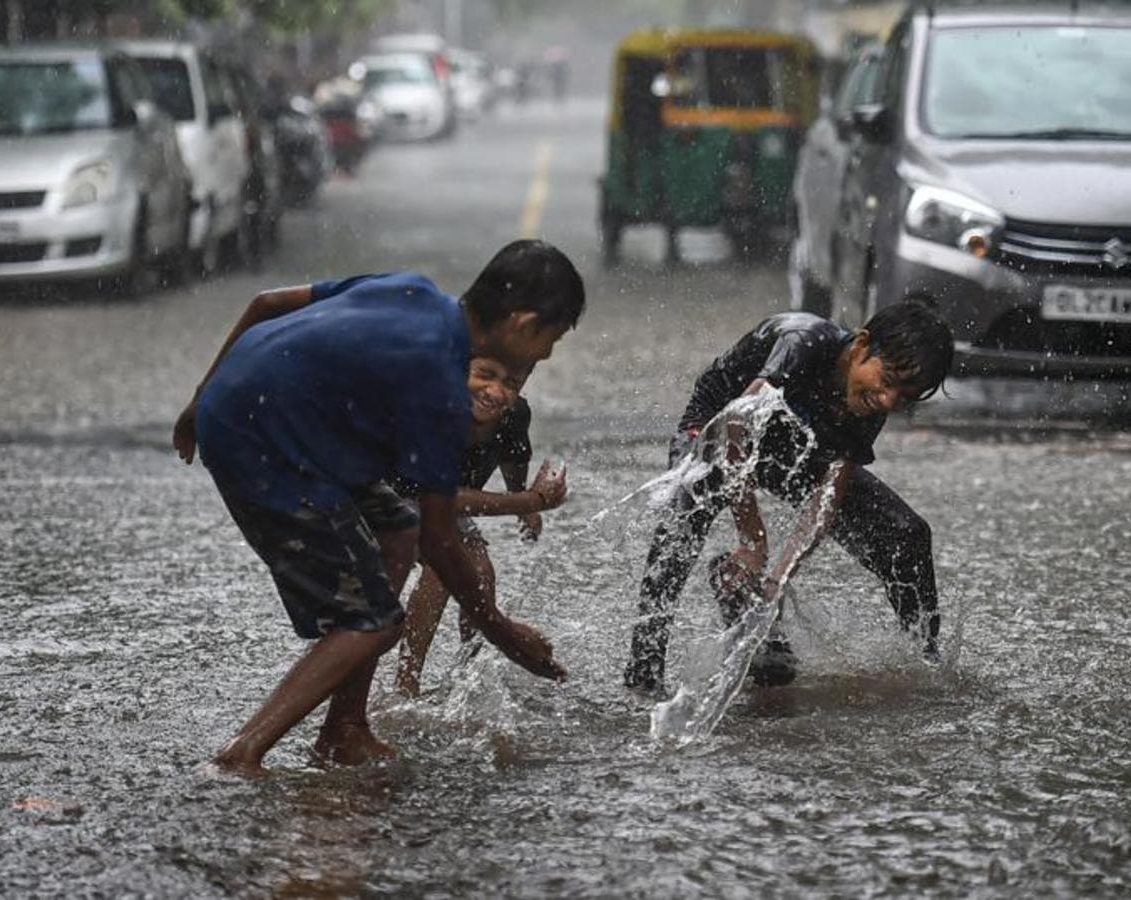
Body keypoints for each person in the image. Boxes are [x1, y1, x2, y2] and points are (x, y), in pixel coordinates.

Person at [173, 239, 585, 774]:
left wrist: (198, 402)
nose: (546, 355)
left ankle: (344, 728)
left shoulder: (410, 289)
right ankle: (242, 752)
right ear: (523, 325)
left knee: (398, 530)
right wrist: (506, 634)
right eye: (550, 339)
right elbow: (443, 541)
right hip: (264, 446)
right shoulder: (440, 386)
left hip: (255, 414)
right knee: (371, 621)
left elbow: (265, 305)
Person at [623, 300, 955, 695]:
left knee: (907, 534)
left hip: (793, 445)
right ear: (862, 346)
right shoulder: (804, 342)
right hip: (718, 427)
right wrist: (752, 539)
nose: (887, 401)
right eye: (887, 381)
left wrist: (778, 579)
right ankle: (644, 667)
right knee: (688, 511)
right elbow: (737, 426)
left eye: (904, 397)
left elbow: (829, 495)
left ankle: (924, 662)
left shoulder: (870, 403)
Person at [393, 356, 569, 697]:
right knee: (445, 564)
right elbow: (443, 495)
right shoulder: (437, 408)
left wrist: (526, 505)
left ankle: (467, 678)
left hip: (438, 507)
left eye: (513, 383)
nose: (495, 393)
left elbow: (513, 459)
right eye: (486, 376)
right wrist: (530, 501)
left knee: (481, 573)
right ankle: (406, 683)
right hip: (386, 494)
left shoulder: (515, 413)